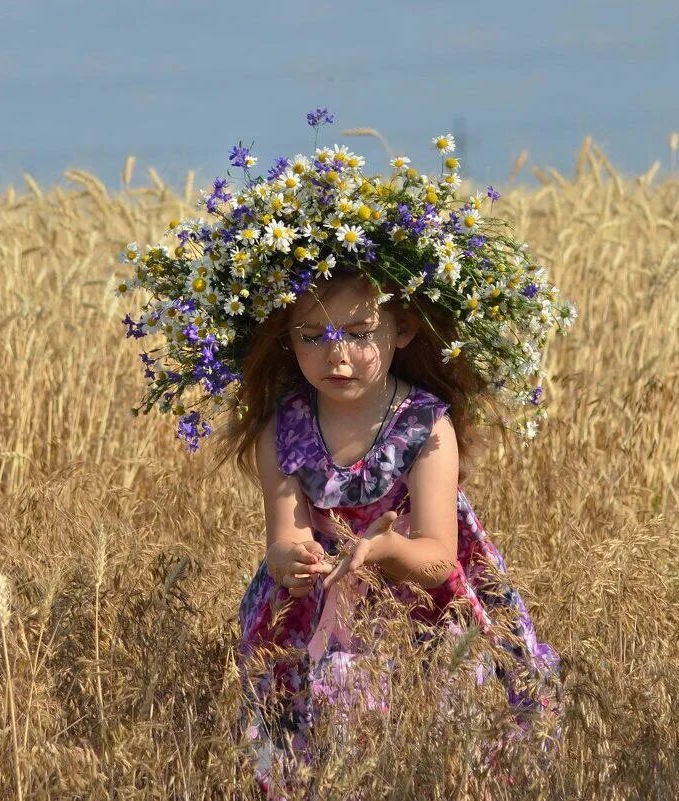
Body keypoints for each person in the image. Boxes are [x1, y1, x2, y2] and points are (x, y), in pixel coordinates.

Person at [116, 108, 575, 799]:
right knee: (320, 737)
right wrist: (294, 561)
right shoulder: (285, 429)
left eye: (359, 332)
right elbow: (283, 538)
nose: (338, 355)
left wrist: (380, 551)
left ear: (402, 328)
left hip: (424, 604)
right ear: (284, 339)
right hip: (317, 606)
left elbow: (438, 557)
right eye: (311, 336)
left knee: (451, 732)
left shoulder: (426, 426)